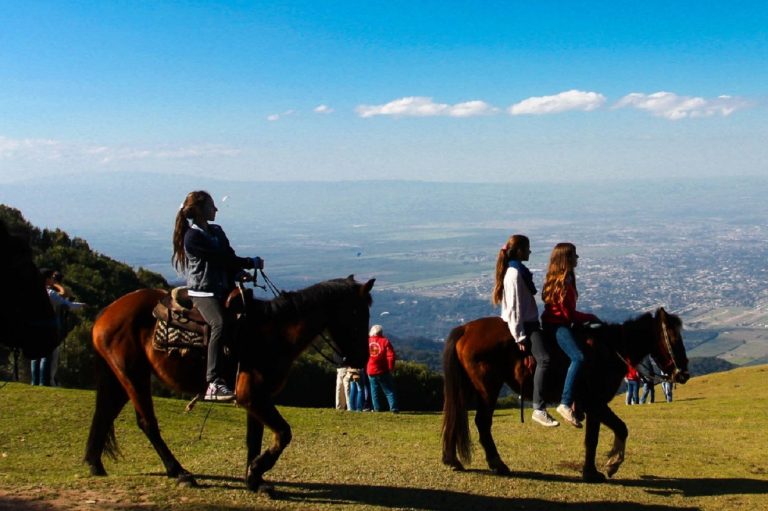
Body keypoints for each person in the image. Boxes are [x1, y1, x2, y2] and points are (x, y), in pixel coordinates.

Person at [172, 190, 262, 401]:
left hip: (222, 288)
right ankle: (213, 382)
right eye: (212, 206)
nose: (216, 209)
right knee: (219, 323)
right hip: (202, 292)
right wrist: (250, 262)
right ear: (201, 211)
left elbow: (228, 257)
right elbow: (218, 258)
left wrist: (238, 273)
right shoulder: (192, 237)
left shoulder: (217, 231)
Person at [492, 234, 559, 427]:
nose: (530, 251)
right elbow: (514, 308)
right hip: (526, 326)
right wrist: (520, 336)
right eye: (527, 248)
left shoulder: (516, 271)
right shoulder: (514, 274)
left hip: (528, 323)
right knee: (545, 359)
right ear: (519, 250)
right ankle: (539, 407)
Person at [541, 242, 600, 428]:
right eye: (574, 255)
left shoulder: (561, 277)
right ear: (566, 258)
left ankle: (577, 400)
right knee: (578, 357)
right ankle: (565, 403)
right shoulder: (564, 281)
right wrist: (590, 317)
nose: (577, 258)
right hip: (557, 326)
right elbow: (568, 315)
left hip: (557, 323)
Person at [30, 269, 85, 386]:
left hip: (34, 327)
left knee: (36, 356)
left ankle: (34, 381)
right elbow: (66, 303)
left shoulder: (33, 291)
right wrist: (81, 305)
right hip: (47, 327)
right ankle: (44, 382)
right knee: (46, 355)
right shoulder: (50, 293)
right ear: (47, 279)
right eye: (51, 278)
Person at [367, 325, 399, 413]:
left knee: (374, 391)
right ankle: (394, 408)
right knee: (389, 390)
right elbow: (391, 356)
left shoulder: (367, 341)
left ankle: (377, 408)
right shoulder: (385, 341)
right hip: (382, 370)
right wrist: (390, 368)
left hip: (371, 370)